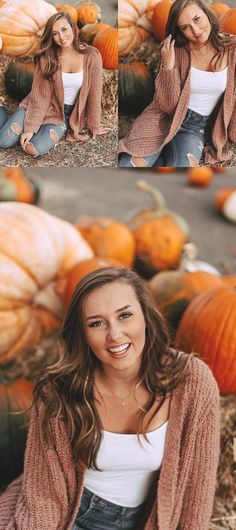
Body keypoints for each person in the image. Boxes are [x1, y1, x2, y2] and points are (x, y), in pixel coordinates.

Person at [0, 267, 220, 530]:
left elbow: (197, 494)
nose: (114, 334)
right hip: (66, 509)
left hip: (142, 519)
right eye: (96, 323)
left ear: (146, 316)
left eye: (125, 315)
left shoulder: (193, 383)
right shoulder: (57, 392)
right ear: (83, 334)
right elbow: (44, 498)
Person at [118, 0, 236, 167]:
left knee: (183, 166)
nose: (195, 31)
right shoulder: (177, 52)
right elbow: (167, 105)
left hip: (195, 128)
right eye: (185, 27)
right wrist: (168, 66)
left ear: (207, 14)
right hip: (163, 118)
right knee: (131, 164)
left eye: (197, 19)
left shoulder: (232, 50)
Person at [0, 12, 104, 157]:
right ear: (51, 37)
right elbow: (40, 97)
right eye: (55, 33)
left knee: (34, 150)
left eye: (64, 29)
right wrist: (30, 127)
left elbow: (95, 93)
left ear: (73, 28)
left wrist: (94, 125)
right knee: (4, 141)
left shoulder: (92, 56)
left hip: (62, 115)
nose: (61, 37)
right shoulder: (47, 58)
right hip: (37, 105)